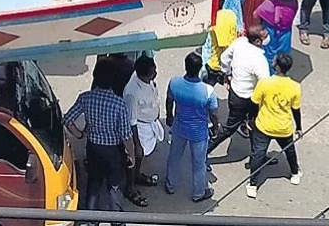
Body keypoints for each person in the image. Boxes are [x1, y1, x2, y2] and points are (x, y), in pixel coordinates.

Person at [63, 58, 134, 211]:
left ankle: (91, 219)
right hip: (113, 151)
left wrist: (80, 135)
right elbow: (126, 135)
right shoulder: (118, 103)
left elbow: (67, 119)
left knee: (94, 183)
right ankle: (117, 220)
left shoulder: (85, 97)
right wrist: (132, 155)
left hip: (93, 147)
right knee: (114, 185)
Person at [245, 52, 302, 199]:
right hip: (283, 127)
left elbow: (254, 103)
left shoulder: (264, 83)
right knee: (289, 151)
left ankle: (253, 185)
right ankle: (295, 173)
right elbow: (296, 110)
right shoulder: (295, 86)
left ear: (276, 66)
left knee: (258, 154)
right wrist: (299, 127)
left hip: (264, 125)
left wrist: (250, 121)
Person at [164, 52, 217, 203]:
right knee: (199, 163)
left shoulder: (174, 83)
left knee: (174, 157)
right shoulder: (208, 91)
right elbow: (213, 114)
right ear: (200, 68)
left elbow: (169, 101)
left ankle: (170, 185)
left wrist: (169, 116)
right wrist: (216, 127)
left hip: (179, 127)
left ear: (185, 66)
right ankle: (198, 193)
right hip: (198, 133)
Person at [209, 26, 269, 151]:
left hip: (235, 93)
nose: (268, 37)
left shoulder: (240, 42)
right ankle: (205, 151)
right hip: (248, 98)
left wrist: (226, 73)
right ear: (258, 41)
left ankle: (257, 155)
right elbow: (265, 84)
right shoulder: (260, 60)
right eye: (265, 36)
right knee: (231, 128)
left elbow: (225, 57)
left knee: (254, 125)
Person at [123, 55, 163, 204]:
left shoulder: (146, 80)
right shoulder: (132, 93)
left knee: (141, 158)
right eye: (153, 72)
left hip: (149, 124)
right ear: (143, 74)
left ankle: (138, 176)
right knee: (135, 158)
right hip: (140, 128)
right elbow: (131, 120)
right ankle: (130, 188)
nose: (156, 73)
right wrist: (136, 144)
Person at [257, 0, 298, 70]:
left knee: (269, 54)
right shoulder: (294, 2)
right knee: (283, 54)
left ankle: (270, 73)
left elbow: (257, 13)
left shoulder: (269, 3)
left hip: (271, 32)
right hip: (286, 33)